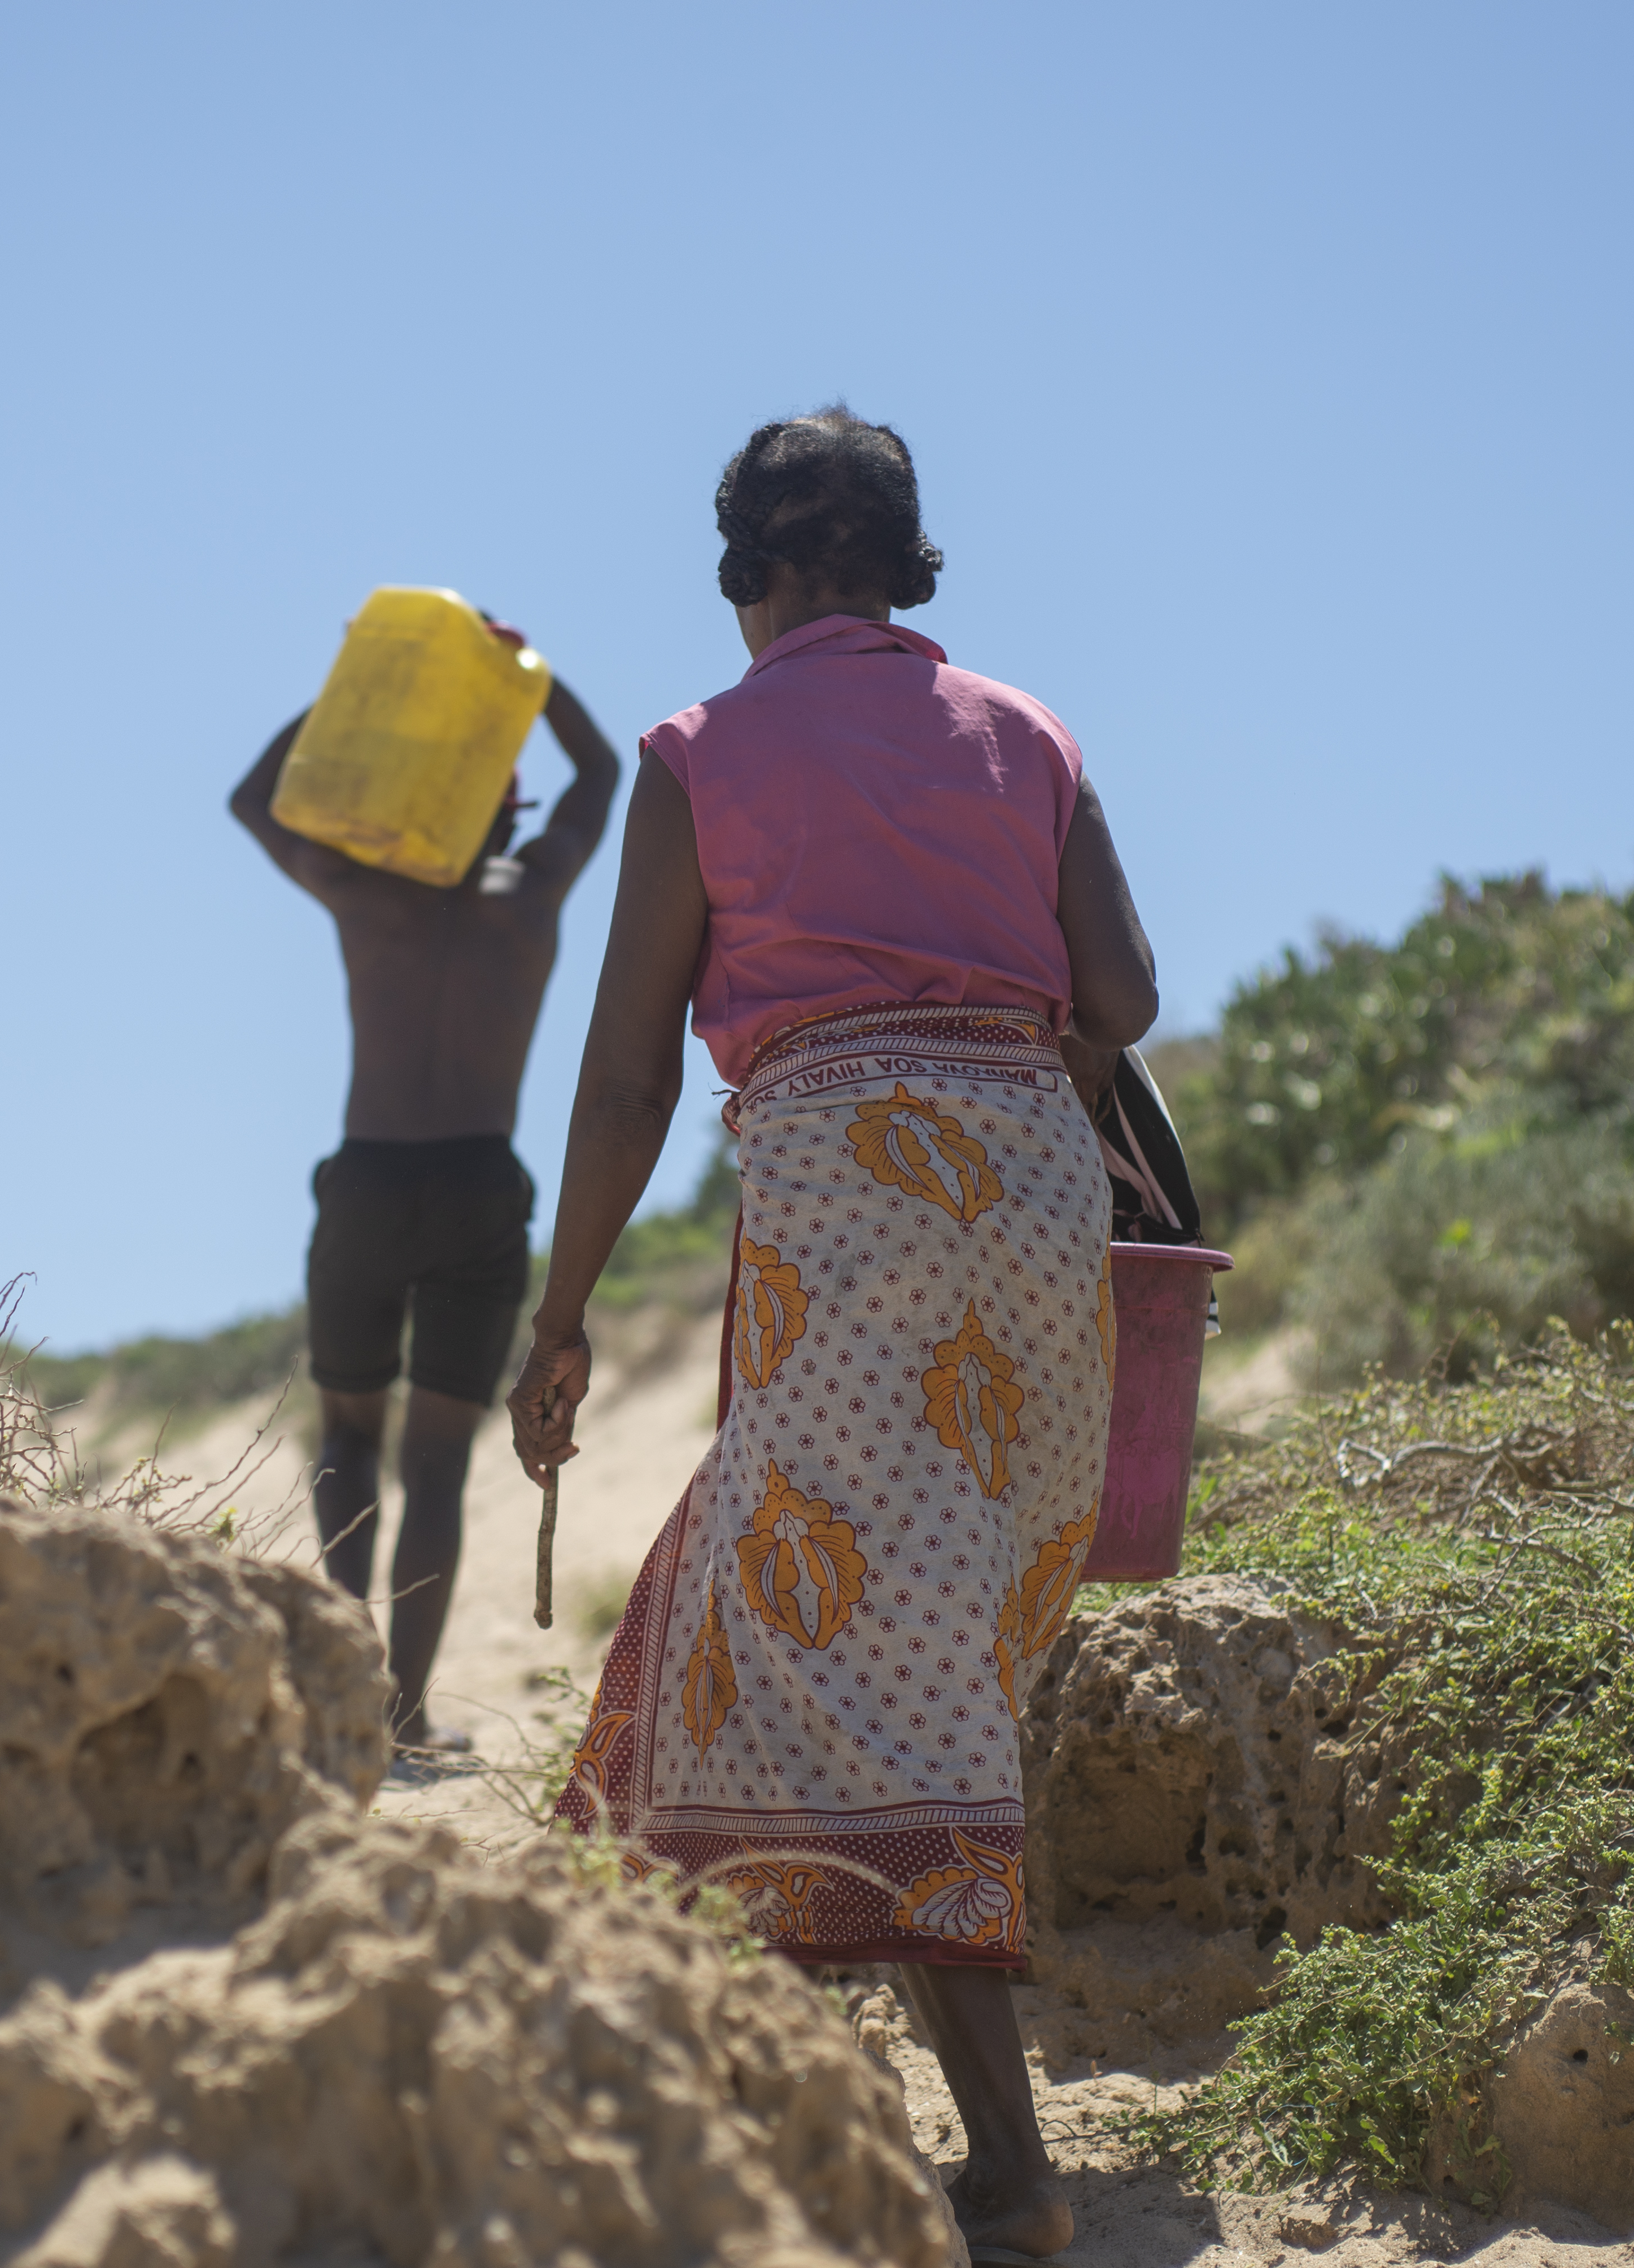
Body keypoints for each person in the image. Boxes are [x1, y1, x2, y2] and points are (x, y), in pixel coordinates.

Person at [509, 409, 1157, 2263]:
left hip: (848, 1193)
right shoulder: (1023, 733)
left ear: (752, 577)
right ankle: (745, 2072)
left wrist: (559, 1316)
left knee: (847, 1645)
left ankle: (1015, 2177)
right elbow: (1115, 991)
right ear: (900, 564)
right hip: (1040, 1204)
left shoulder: (699, 752)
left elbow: (630, 1065)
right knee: (822, 1612)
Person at [230, 625, 621, 1751]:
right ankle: (401, 1714)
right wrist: (528, 677)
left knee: (348, 1433)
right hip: (476, 1187)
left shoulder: (367, 894)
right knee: (438, 1460)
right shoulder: (530, 894)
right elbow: (598, 774)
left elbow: (255, 800)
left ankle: (346, 1693)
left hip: (367, 1182)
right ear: (506, 811)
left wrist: (366, 691)